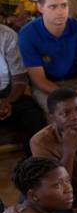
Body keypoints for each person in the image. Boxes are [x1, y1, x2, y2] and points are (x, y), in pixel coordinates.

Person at [0, 24, 47, 156]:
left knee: (33, 115)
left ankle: (34, 165)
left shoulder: (7, 35)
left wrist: (8, 101)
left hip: (6, 94)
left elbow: (19, 78)